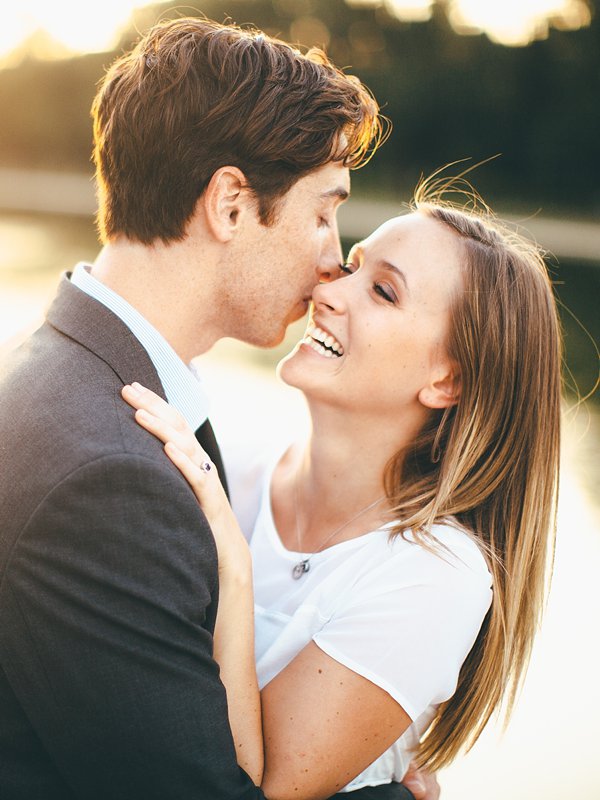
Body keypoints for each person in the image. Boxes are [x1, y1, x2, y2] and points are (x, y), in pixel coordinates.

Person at [0, 16, 441, 800]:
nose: (332, 255)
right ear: (232, 204)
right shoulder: (108, 476)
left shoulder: (71, 378)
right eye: (322, 211)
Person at [122, 182, 562, 799]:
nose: (326, 290)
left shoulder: (437, 573)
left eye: (382, 291)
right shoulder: (232, 464)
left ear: (448, 379)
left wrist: (234, 562)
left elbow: (259, 787)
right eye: (351, 266)